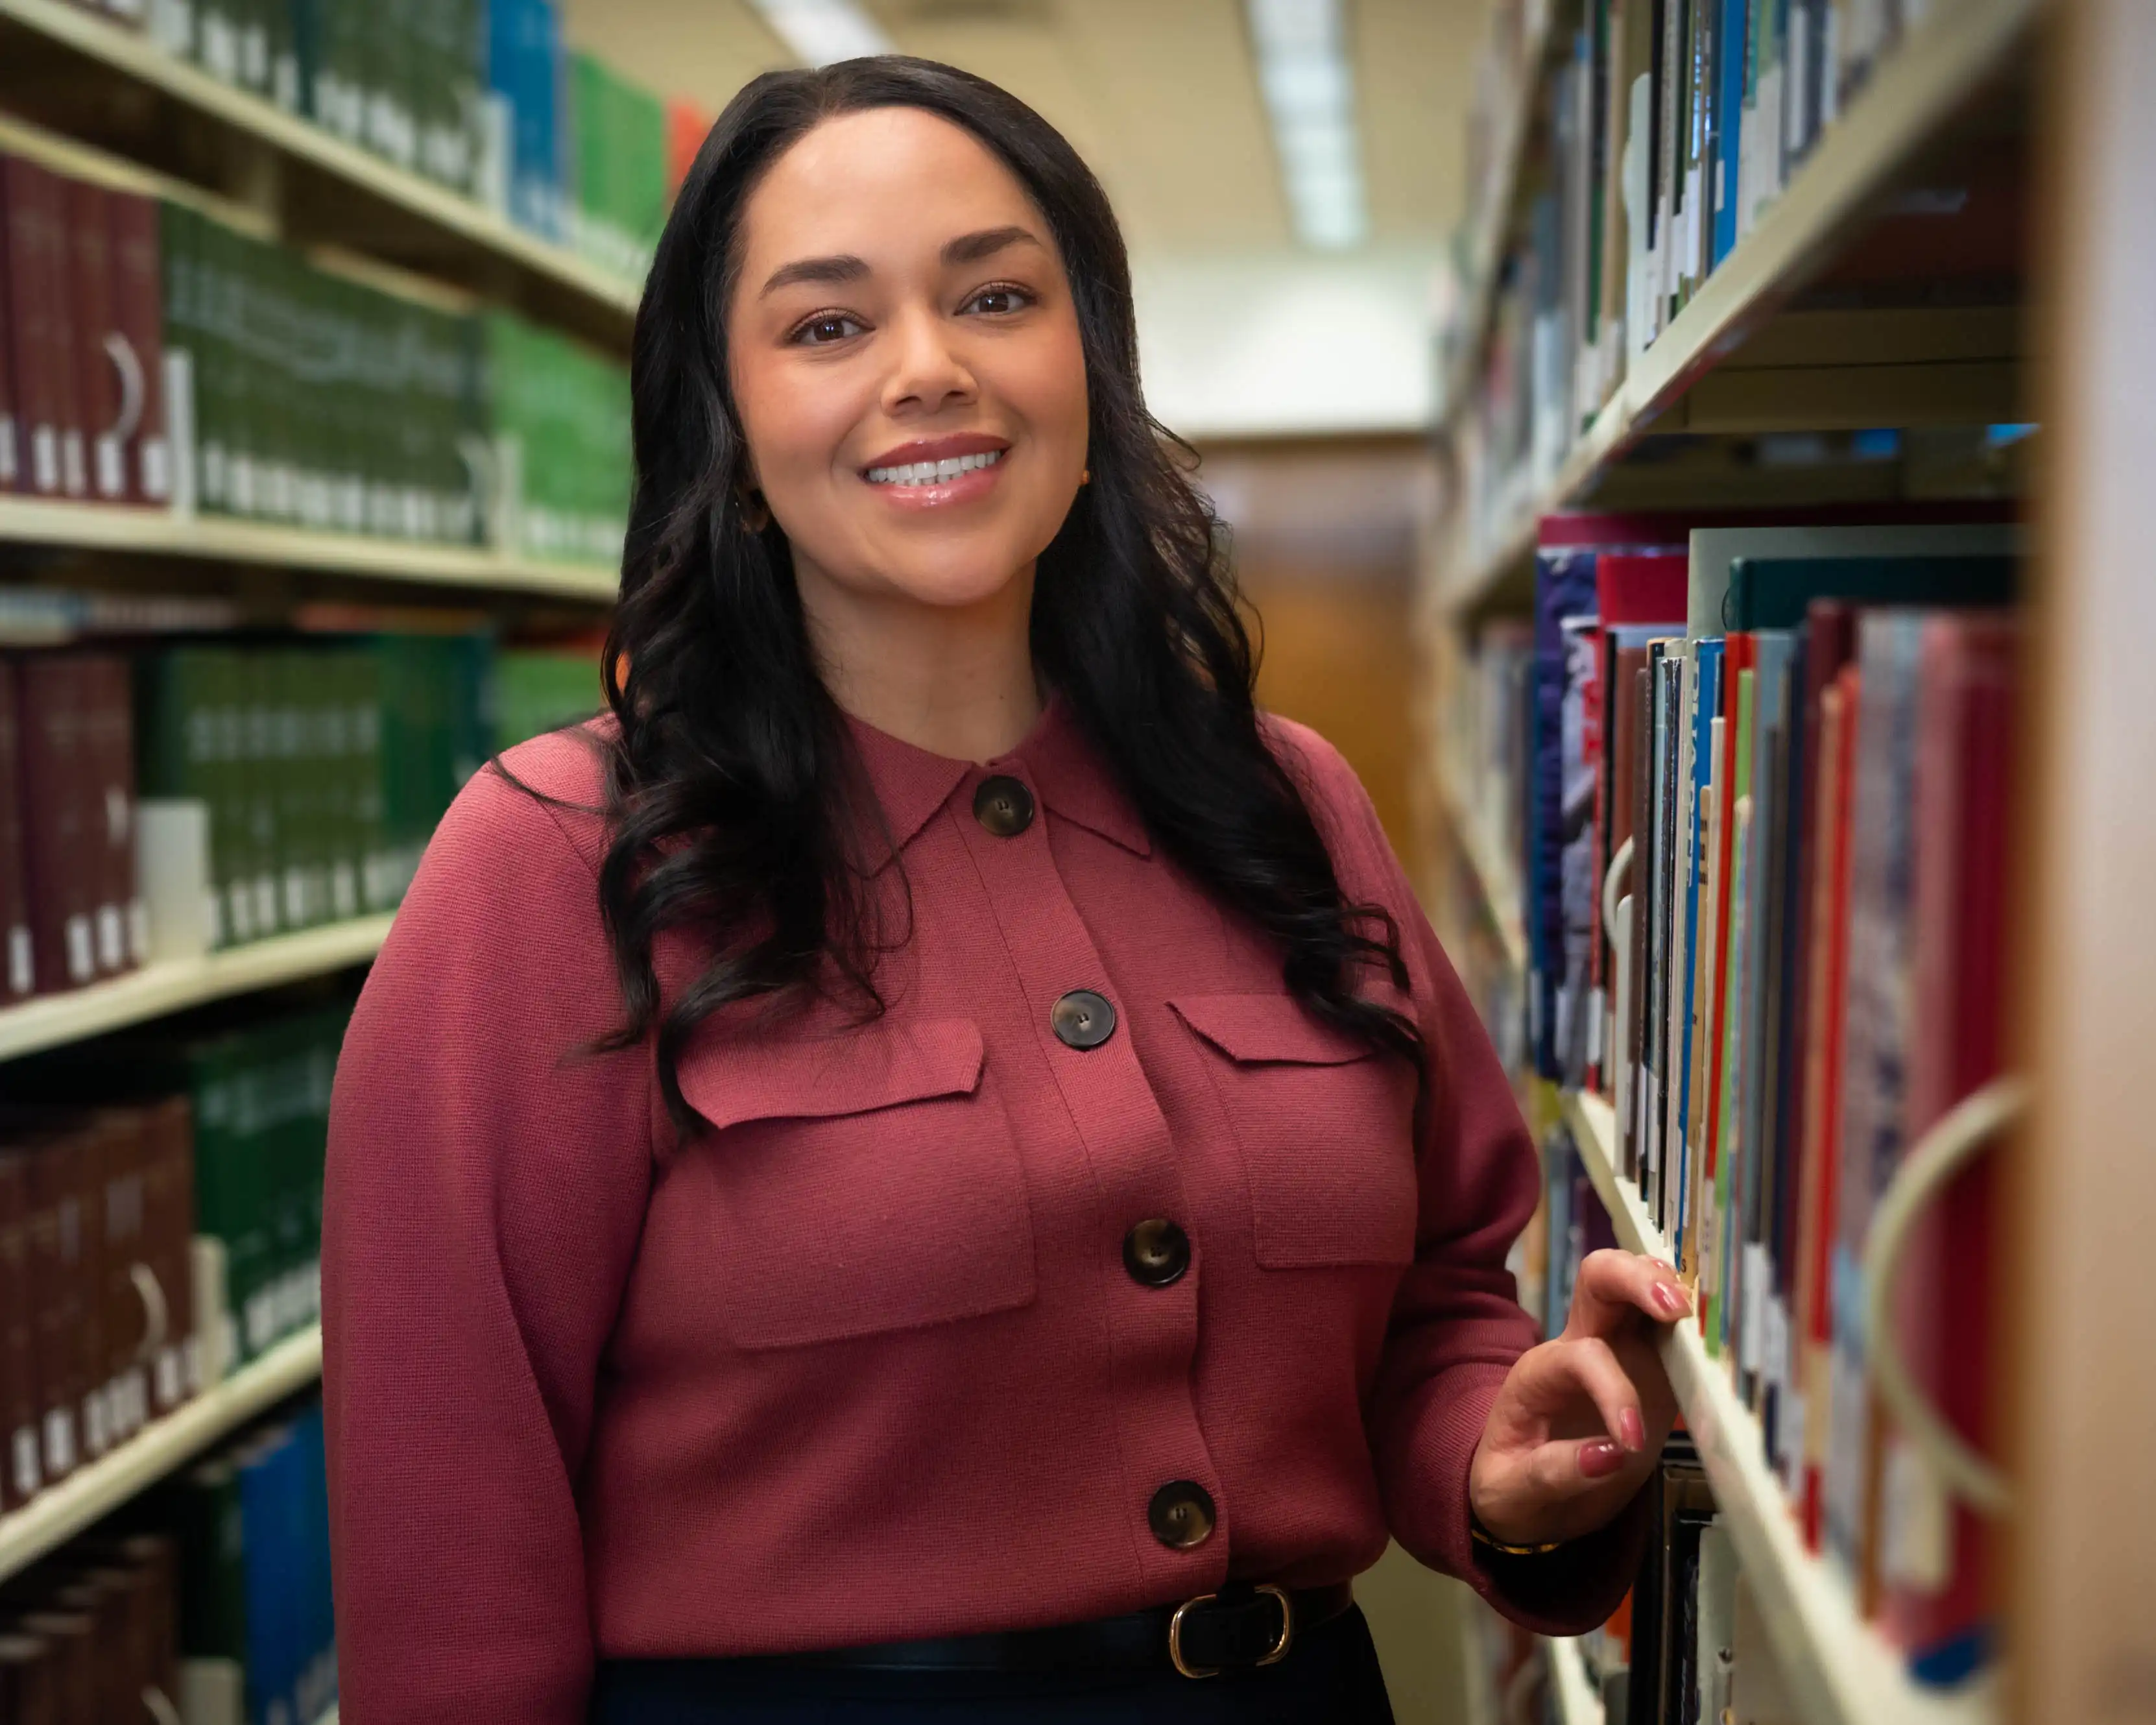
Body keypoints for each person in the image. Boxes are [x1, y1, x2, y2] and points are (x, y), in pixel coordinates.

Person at [323, 54, 1685, 1725]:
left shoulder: (1284, 803)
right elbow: (448, 1524)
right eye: (827, 326)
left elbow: (1436, 1302)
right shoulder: (555, 862)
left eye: (995, 295)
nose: (929, 369)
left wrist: (1498, 1449)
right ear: (732, 434)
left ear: (1089, 371)